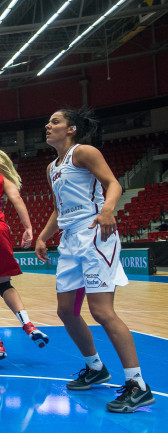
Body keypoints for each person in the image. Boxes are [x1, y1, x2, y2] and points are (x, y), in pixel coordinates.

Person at [35, 108, 154, 412]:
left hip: (95, 233)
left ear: (71, 129)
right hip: (71, 238)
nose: (49, 126)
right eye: (49, 122)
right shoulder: (52, 167)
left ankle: (137, 384)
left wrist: (108, 210)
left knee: (101, 310)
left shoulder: (84, 152)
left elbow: (113, 184)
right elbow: (58, 208)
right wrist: (43, 237)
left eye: (55, 122)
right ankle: (95, 367)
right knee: (66, 310)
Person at [0, 149, 49, 365]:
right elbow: (16, 198)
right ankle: (28, 325)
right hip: (0, 228)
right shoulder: (0, 177)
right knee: (4, 283)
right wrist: (28, 228)